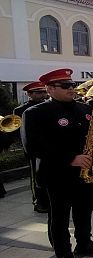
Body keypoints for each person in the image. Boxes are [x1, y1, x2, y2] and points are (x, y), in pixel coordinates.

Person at [21, 68, 93, 258]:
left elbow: (87, 136)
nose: (72, 88)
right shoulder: (35, 113)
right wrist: (71, 159)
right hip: (58, 174)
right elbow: (33, 146)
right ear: (50, 89)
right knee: (60, 216)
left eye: (72, 84)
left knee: (84, 211)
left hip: (86, 172)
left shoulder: (83, 109)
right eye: (65, 86)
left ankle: (84, 242)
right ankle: (63, 253)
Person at [14, 81, 50, 212]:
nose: (43, 95)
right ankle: (39, 202)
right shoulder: (20, 110)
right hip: (35, 150)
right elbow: (21, 133)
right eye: (38, 92)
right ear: (29, 94)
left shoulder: (50, 106)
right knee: (37, 177)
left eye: (44, 92)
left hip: (50, 148)